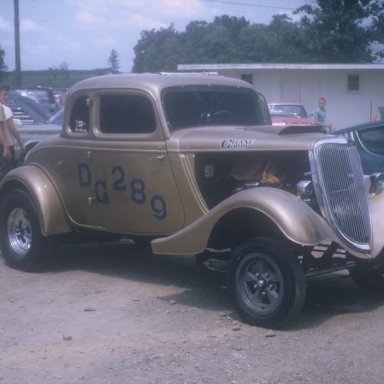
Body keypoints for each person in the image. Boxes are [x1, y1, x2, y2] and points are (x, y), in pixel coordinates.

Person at [0, 83, 25, 176]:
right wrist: (20, 143)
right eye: (4, 94)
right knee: (7, 172)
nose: (6, 97)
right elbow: (12, 129)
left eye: (7, 95)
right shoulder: (4, 109)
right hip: (5, 145)